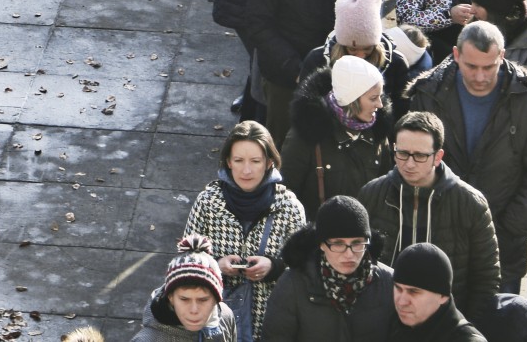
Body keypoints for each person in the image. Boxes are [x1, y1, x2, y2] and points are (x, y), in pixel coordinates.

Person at [403, 20, 527, 295]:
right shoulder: (428, 94)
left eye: (489, 67)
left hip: (502, 244)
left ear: (502, 56)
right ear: (456, 55)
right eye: (471, 66)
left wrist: (509, 226)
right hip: (438, 240)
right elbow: (410, 162)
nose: (480, 77)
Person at [358, 114, 500, 321]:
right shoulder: (372, 195)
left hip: (444, 324)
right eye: (402, 154)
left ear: (438, 156)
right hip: (384, 320)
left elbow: (486, 278)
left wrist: (464, 326)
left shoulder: (469, 202)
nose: (409, 163)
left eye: (420, 156)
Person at [248, 0, 370, 142]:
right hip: (287, 78)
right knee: (284, 143)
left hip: (338, 71)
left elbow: (365, 6)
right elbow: (258, 24)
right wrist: (295, 68)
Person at [183, 122, 306, 340]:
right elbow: (185, 262)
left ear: (269, 163)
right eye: (238, 161)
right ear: (228, 162)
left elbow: (304, 269)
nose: (246, 170)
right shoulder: (207, 202)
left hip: (272, 325)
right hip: (216, 325)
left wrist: (274, 266)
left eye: (255, 161)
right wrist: (216, 266)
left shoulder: (289, 207)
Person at [261, 195, 395, 342]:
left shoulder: (388, 282)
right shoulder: (293, 284)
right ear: (322, 244)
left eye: (357, 243)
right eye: (338, 244)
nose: (349, 254)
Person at [282, 46, 395, 212]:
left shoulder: (377, 133)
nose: (380, 104)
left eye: (380, 96)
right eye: (373, 98)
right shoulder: (306, 135)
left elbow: (385, 191)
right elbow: (286, 195)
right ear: (352, 99)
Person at [132, 237, 237, 342]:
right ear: (170, 298)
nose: (194, 310)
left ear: (216, 299)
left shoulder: (225, 316)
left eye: (203, 300)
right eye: (184, 299)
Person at [388, 243, 489, 342]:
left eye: (413, 291)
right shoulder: (395, 326)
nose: (401, 302)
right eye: (398, 288)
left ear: (443, 296)